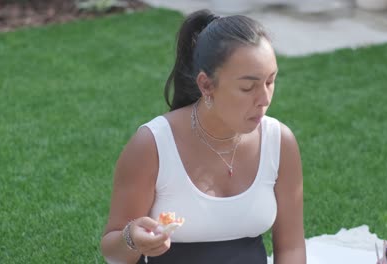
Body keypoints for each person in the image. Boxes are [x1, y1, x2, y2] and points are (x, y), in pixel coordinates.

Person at [101, 9, 306, 264]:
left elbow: (292, 248)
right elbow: (112, 252)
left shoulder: (280, 142)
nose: (264, 99)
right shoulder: (152, 144)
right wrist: (131, 238)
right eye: (247, 87)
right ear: (206, 85)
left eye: (270, 81)